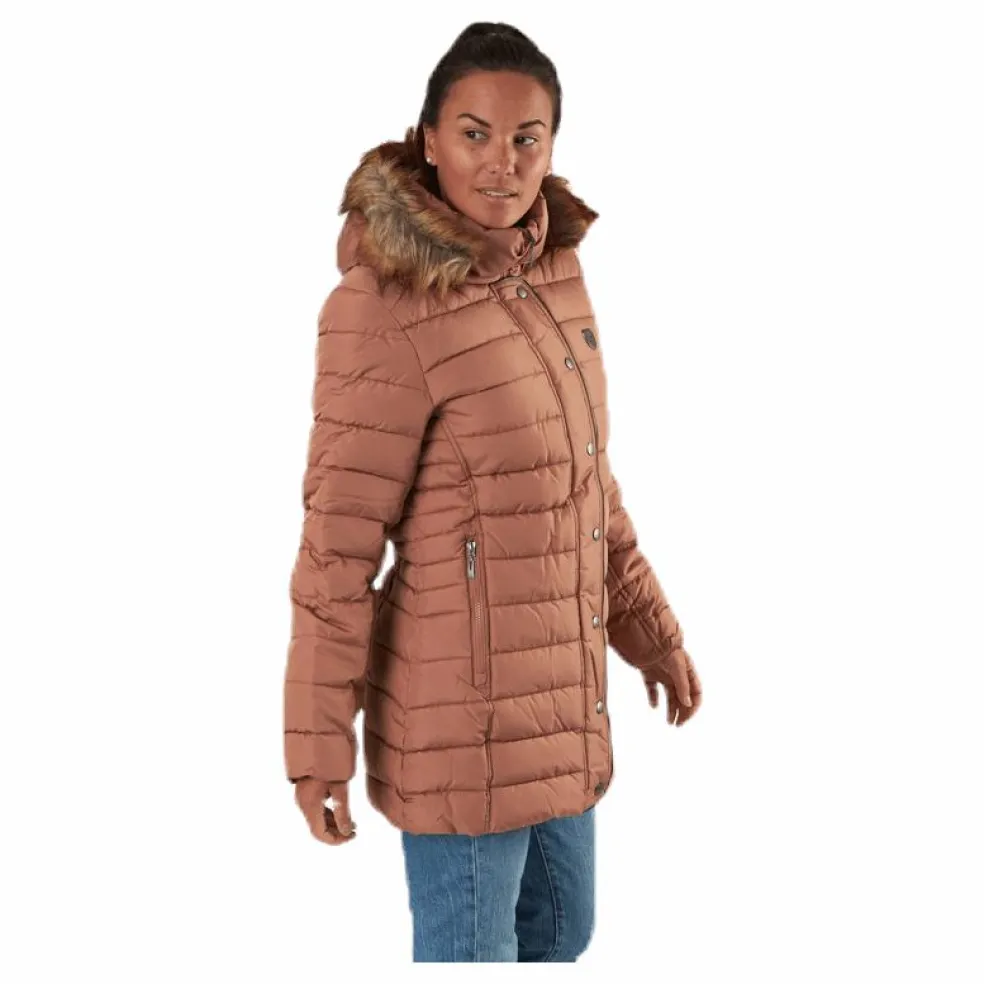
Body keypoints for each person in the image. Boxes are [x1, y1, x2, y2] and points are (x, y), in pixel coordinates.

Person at [283, 20, 702, 962]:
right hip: (457, 728)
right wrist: (317, 746)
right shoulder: (381, 305)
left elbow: (584, 484)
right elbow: (336, 548)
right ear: (430, 139)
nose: (502, 162)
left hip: (561, 709)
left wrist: (651, 634)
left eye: (527, 137)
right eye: (475, 133)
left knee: (562, 937)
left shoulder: (556, 270)